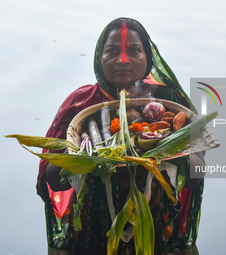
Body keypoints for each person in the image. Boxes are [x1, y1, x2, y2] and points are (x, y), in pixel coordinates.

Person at [37, 17, 205, 255]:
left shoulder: (171, 102)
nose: (123, 60)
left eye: (135, 51)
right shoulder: (81, 105)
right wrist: (81, 157)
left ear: (148, 58)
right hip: (93, 229)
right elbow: (50, 179)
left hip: (155, 227)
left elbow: (196, 175)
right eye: (112, 51)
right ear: (99, 58)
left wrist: (163, 153)